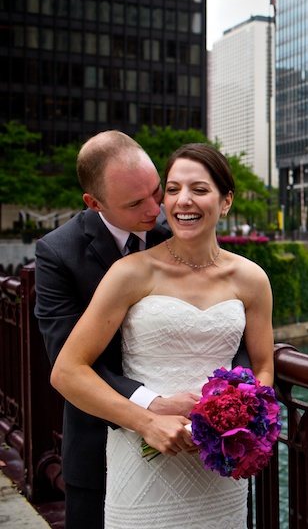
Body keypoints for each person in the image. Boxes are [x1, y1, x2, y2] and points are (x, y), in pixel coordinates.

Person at [50, 143, 275, 528]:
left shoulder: (252, 279)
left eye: (199, 190)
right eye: (172, 189)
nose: (180, 201)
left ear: (226, 202)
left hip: (219, 468)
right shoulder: (129, 272)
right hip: (143, 459)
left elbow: (263, 365)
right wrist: (147, 422)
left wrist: (237, 416)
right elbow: (67, 371)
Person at [34, 130, 176, 528]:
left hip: (183, 448)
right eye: (135, 203)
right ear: (93, 203)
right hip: (97, 447)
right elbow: (67, 361)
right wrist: (152, 405)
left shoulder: (176, 228)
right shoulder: (57, 254)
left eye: (156, 190)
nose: (156, 208)